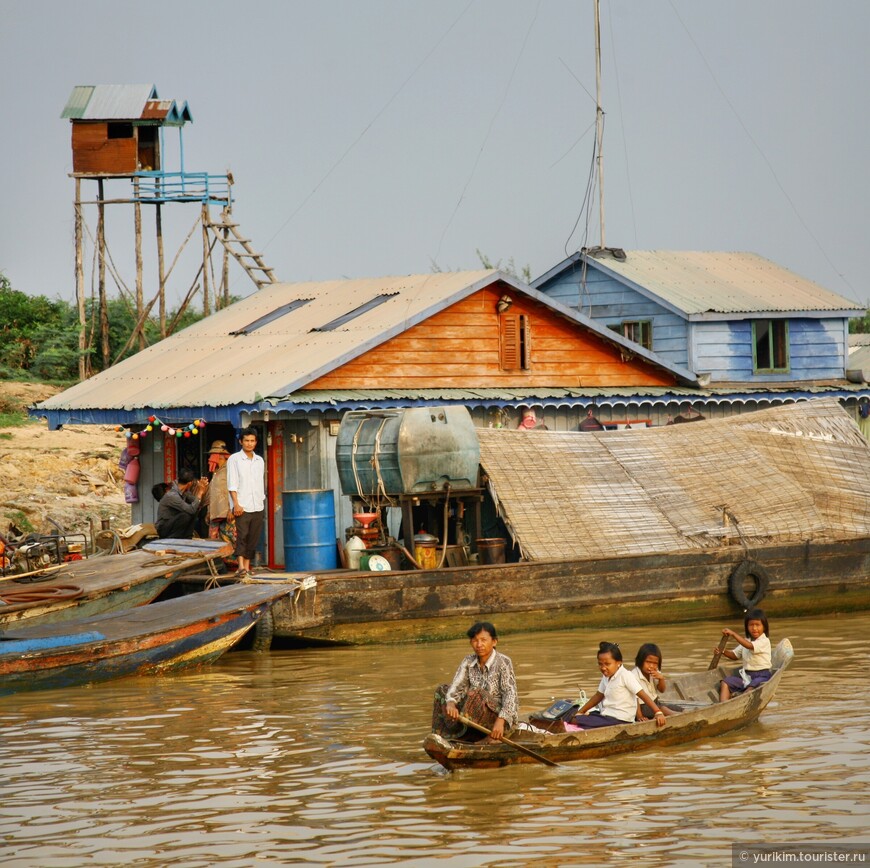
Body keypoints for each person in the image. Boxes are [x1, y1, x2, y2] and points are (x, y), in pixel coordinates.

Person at [443, 621, 519, 741]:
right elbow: (457, 685)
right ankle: (447, 735)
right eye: (475, 640)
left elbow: (510, 695)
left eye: (483, 640)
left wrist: (501, 721)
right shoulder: (468, 661)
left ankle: (474, 736)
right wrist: (451, 703)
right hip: (474, 716)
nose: (479, 644)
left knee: (477, 693)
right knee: (442, 691)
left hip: (498, 717)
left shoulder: (503, 662)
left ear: (494, 642)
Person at [571, 641, 667, 729]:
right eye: (600, 664)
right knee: (573, 715)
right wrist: (580, 712)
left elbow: (642, 695)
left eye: (607, 664)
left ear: (618, 663)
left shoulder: (625, 675)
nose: (603, 668)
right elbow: (598, 696)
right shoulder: (606, 676)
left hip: (620, 719)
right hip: (607, 715)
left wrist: (658, 712)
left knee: (574, 720)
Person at [226, 427, 265, 577]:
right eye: (246, 441)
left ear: (256, 442)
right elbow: (232, 483)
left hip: (257, 504)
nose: (249, 444)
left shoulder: (259, 460)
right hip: (242, 504)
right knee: (242, 536)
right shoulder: (234, 459)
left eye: (252, 441)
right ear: (241, 441)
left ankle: (247, 567)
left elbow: (260, 482)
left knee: (253, 537)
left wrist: (261, 499)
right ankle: (240, 566)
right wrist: (235, 503)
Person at [716, 608, 772, 702]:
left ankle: (742, 699)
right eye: (751, 625)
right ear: (747, 627)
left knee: (750, 689)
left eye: (757, 625)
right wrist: (722, 651)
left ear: (764, 627)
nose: (754, 628)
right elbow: (734, 655)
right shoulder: (746, 641)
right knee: (725, 682)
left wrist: (733, 634)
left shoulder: (764, 641)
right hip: (746, 677)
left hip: (762, 676)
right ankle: (723, 705)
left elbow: (750, 646)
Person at [155, 468, 208, 540]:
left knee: (196, 511)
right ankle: (173, 538)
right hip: (163, 528)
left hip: (172, 524)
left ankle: (187, 537)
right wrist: (200, 493)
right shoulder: (172, 495)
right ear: (190, 483)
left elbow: (196, 503)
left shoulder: (184, 491)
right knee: (186, 514)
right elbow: (191, 509)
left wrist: (202, 489)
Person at [632, 643, 675, 720]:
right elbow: (635, 699)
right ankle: (683, 717)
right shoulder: (634, 675)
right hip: (642, 707)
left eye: (655, 663)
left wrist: (661, 679)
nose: (651, 666)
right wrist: (639, 716)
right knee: (663, 709)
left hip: (655, 702)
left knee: (676, 707)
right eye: (648, 662)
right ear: (640, 661)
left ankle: (683, 713)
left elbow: (662, 690)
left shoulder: (655, 672)